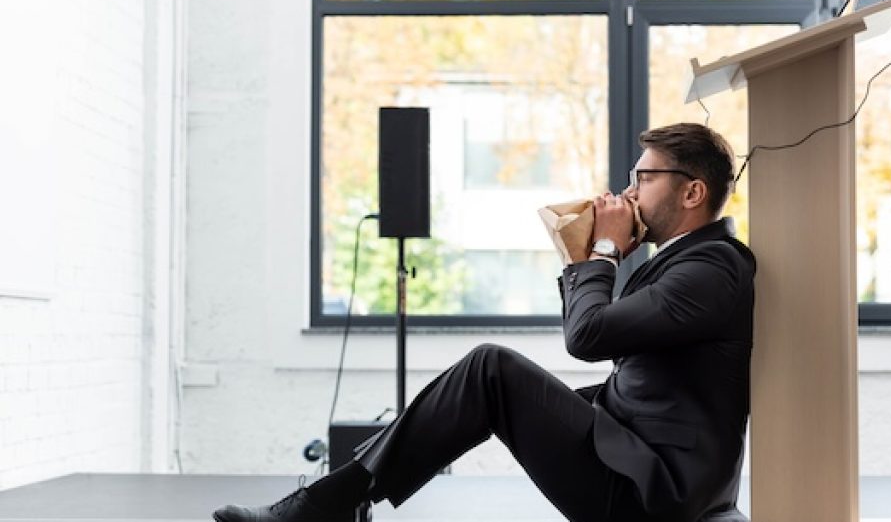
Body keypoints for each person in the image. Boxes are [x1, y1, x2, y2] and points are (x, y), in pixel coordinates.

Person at [212, 122, 756, 522]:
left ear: (692, 192)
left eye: (643, 179)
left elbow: (587, 335)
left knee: (490, 369)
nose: (628, 192)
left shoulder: (712, 268)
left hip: (653, 492)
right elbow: (609, 336)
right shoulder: (691, 262)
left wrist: (606, 250)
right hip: (639, 460)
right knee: (486, 377)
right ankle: (338, 498)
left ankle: (326, 504)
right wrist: (592, 255)